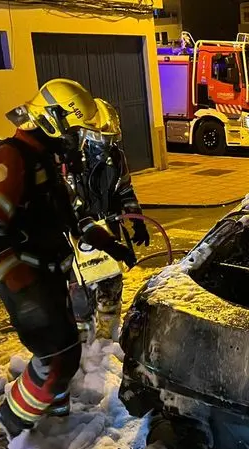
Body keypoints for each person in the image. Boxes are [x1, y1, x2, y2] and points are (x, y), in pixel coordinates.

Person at [0, 78, 135, 439]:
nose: (77, 141)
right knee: (57, 356)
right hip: (28, 280)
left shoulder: (44, 160)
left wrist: (112, 245)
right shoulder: (12, 159)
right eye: (76, 131)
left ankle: (55, 417)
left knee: (66, 351)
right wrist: (24, 289)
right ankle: (11, 423)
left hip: (51, 277)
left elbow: (74, 219)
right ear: (52, 121)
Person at [65, 98, 150, 342]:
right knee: (80, 293)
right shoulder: (68, 164)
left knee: (111, 285)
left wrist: (138, 221)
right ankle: (81, 348)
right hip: (78, 237)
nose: (107, 144)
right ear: (84, 135)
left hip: (109, 229)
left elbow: (125, 190)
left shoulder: (116, 158)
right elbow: (69, 206)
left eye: (111, 139)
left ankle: (106, 342)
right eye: (102, 138)